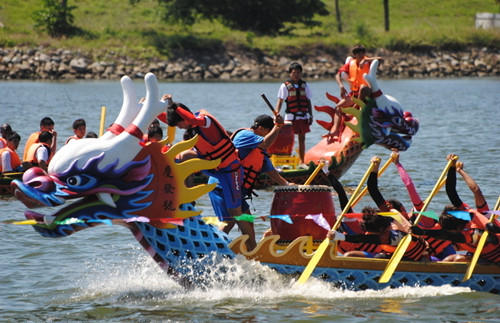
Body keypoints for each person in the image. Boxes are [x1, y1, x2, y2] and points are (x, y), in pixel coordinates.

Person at [166, 99, 255, 250]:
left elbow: (192, 119)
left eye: (179, 124)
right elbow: (180, 121)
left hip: (230, 171)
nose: (180, 128)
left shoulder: (205, 121)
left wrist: (173, 105)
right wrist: (161, 108)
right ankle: (185, 198)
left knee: (237, 213)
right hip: (216, 169)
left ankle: (253, 249)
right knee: (183, 156)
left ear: (184, 117)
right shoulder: (192, 125)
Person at [214, 114, 292, 240]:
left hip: (236, 190)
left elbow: (269, 169)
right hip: (222, 186)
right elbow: (266, 143)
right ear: (260, 128)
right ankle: (211, 249)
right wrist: (278, 127)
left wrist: (286, 184)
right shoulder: (246, 135)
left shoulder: (258, 150)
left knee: (248, 224)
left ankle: (252, 256)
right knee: (229, 222)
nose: (270, 137)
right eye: (268, 132)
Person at [330, 45, 382, 140]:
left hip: (367, 93)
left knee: (363, 87)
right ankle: (335, 130)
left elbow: (379, 59)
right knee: (338, 107)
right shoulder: (351, 64)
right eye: (359, 53)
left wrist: (366, 60)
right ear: (355, 55)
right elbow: (338, 75)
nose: (361, 55)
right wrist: (341, 86)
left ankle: (355, 108)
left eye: (363, 53)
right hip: (354, 94)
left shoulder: (368, 61)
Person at [274, 62, 313, 165]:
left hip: (303, 116)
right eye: (294, 72)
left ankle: (302, 160)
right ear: (290, 73)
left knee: (302, 139)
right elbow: (280, 101)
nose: (296, 75)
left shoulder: (305, 85)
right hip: (290, 116)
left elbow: (308, 101)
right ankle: (286, 159)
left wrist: (311, 115)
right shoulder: (285, 86)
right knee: (288, 138)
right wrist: (276, 114)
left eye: (298, 73)